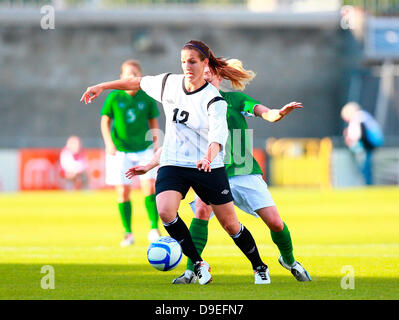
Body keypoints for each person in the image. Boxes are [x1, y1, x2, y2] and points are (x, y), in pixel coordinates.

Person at [81, 40, 271, 285]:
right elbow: (135, 82)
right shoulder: (169, 83)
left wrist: (207, 158)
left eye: (192, 61)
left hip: (208, 166)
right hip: (173, 163)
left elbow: (217, 140)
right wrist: (102, 86)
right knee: (165, 211)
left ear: (205, 64)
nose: (187, 66)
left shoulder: (215, 100)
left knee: (230, 224)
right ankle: (200, 265)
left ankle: (259, 266)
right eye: (183, 61)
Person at [128, 64, 312, 284]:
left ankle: (289, 261)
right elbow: (174, 144)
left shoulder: (234, 100)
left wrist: (278, 113)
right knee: (202, 212)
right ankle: (191, 271)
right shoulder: (193, 103)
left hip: (243, 171)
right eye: (202, 75)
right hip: (210, 172)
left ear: (218, 77)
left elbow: (266, 113)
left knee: (275, 223)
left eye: (209, 75)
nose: (204, 79)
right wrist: (149, 164)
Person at [100, 59, 162, 247]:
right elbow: (105, 121)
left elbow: (153, 122)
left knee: (149, 187)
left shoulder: (147, 96)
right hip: (120, 150)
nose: (131, 76)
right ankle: (128, 233)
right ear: (121, 77)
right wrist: (108, 143)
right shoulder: (114, 97)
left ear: (140, 76)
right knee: (123, 192)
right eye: (128, 73)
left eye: (135, 73)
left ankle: (154, 228)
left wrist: (156, 143)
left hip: (143, 149)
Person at [341, 101, 384, 185]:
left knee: (365, 167)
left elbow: (357, 134)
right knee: (367, 166)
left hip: (364, 146)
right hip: (369, 145)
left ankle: (368, 185)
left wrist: (349, 139)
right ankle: (368, 184)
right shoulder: (364, 116)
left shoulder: (358, 118)